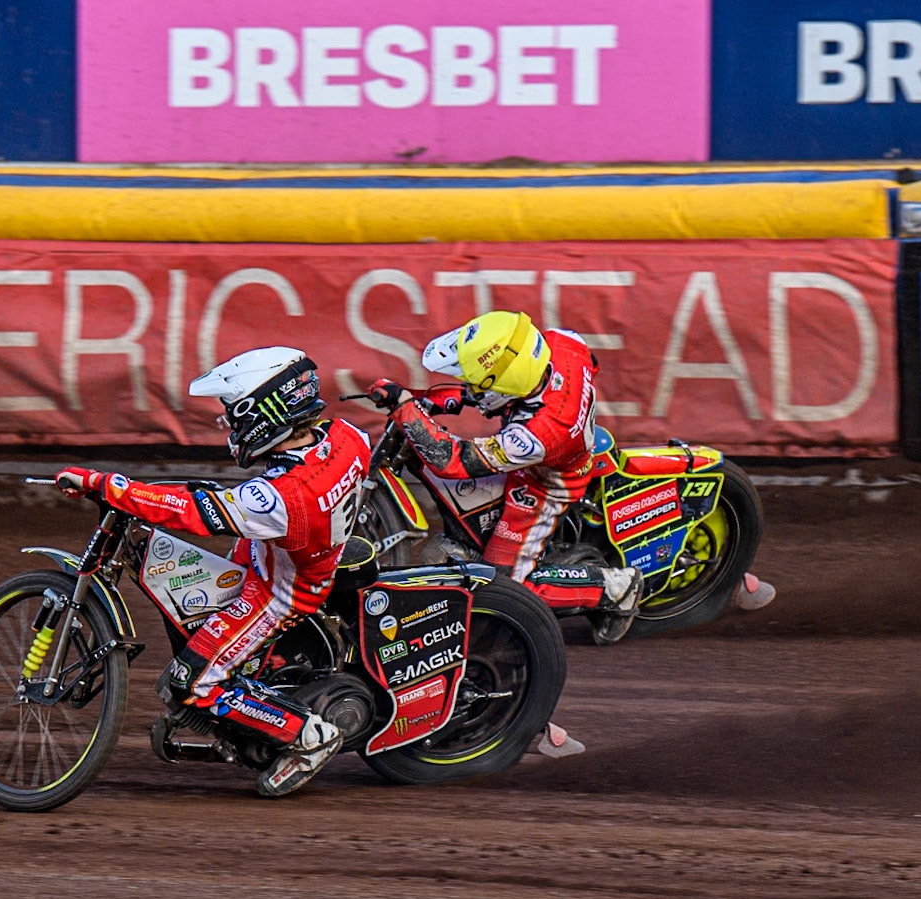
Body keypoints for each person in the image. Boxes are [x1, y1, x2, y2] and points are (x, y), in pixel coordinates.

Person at [56, 347, 371, 798]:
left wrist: (107, 484)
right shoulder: (347, 436)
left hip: (281, 593)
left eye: (234, 413)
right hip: (284, 553)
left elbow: (193, 512)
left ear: (265, 411)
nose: (230, 425)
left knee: (188, 682)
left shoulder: (283, 497)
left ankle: (307, 736)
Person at [366, 311, 775, 647]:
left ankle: (615, 587)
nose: (470, 385)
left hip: (547, 480)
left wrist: (407, 409)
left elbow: (453, 461)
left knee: (505, 587)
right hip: (566, 431)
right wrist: (445, 398)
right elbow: (572, 368)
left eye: (476, 381)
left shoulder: (535, 436)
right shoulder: (562, 343)